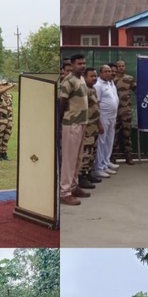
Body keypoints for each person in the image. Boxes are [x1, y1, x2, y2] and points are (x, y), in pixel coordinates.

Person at [59, 54, 89, 206]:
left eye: (84, 63)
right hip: (71, 124)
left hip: (82, 122)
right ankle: (64, 192)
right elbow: (62, 102)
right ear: (71, 64)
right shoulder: (68, 81)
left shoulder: (81, 78)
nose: (82, 66)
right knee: (69, 159)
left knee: (77, 158)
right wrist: (60, 124)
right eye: (79, 63)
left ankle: (73, 186)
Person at [94, 64, 120, 179]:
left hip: (112, 116)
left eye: (110, 71)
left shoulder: (111, 83)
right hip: (103, 116)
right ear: (101, 73)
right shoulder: (98, 85)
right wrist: (98, 121)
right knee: (102, 142)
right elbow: (97, 103)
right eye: (106, 71)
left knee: (109, 140)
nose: (109, 73)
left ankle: (106, 162)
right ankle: (99, 167)